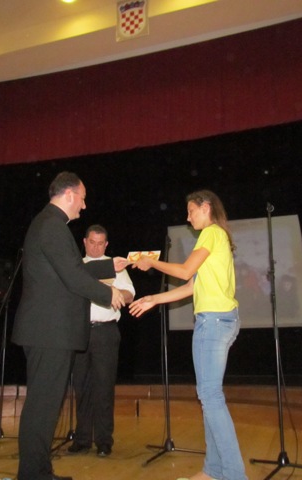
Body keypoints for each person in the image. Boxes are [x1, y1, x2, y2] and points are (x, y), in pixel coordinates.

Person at [11, 172, 128, 480]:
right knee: (43, 406)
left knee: (45, 405)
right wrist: (109, 294)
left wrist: (109, 265)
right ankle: (33, 474)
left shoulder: (48, 223)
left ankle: (38, 470)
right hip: (49, 331)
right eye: (83, 198)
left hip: (48, 331)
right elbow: (73, 276)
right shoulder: (53, 226)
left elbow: (69, 269)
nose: (84, 206)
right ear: (69, 195)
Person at [129, 190, 247, 480]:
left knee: (210, 397)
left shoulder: (211, 233)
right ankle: (213, 471)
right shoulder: (217, 236)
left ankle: (234, 475)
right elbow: (192, 285)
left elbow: (183, 271)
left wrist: (151, 262)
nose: (188, 217)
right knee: (209, 397)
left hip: (214, 322)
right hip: (223, 320)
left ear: (206, 208)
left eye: (191, 210)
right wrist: (153, 299)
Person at [67, 225, 135, 457]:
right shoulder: (76, 266)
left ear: (106, 244)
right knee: (81, 387)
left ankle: (104, 441)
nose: (96, 247)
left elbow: (130, 294)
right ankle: (82, 439)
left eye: (100, 243)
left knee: (104, 387)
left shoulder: (114, 265)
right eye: (92, 242)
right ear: (84, 242)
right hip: (79, 332)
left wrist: (116, 293)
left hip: (105, 332)